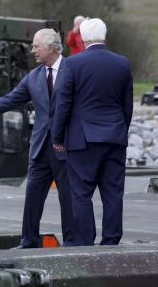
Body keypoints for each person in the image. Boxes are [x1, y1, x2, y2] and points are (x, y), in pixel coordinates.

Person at [0, 28, 74, 248]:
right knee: (32, 197)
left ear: (50, 47)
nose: (32, 51)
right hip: (40, 148)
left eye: (36, 46)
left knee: (68, 198)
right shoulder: (34, 76)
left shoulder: (73, 70)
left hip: (65, 146)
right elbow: (10, 100)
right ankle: (28, 240)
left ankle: (72, 242)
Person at [52, 18, 133, 246]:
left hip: (83, 140)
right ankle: (111, 240)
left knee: (81, 194)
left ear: (82, 37)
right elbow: (127, 106)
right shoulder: (123, 64)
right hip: (115, 137)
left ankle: (85, 241)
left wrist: (58, 137)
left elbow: (63, 103)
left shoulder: (73, 64)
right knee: (113, 193)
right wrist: (120, 130)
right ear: (104, 35)